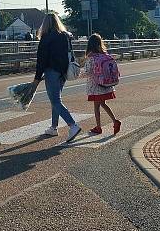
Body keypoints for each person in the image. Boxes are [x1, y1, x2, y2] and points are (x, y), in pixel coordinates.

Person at [30, 13, 81, 142]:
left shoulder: (46, 38)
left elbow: (41, 60)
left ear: (45, 24)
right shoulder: (65, 36)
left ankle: (72, 125)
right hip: (64, 71)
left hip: (51, 71)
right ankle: (53, 127)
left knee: (55, 101)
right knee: (56, 100)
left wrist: (37, 78)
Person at [83, 33, 122, 135]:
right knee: (102, 104)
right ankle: (114, 121)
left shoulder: (91, 57)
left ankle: (99, 126)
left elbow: (87, 72)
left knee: (97, 106)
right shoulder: (105, 55)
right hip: (106, 84)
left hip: (96, 86)